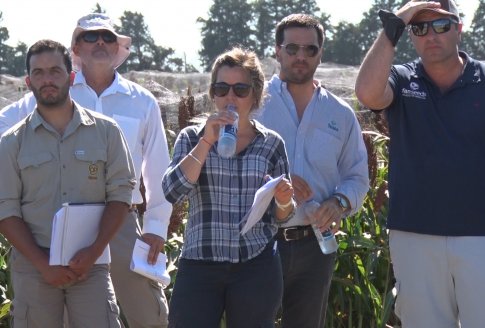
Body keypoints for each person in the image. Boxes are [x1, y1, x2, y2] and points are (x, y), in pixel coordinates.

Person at [0, 13, 172, 327]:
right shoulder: (55, 88)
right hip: (58, 222)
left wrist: (156, 226)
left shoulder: (141, 101)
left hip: (121, 219)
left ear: (118, 45)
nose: (100, 43)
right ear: (77, 47)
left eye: (107, 37)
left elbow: (158, 165)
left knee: (148, 315)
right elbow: (6, 125)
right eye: (90, 37)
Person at [355, 0, 485, 326]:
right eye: (419, 28)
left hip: (483, 235)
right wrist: (395, 24)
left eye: (441, 26)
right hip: (414, 234)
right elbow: (368, 94)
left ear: (459, 29)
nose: (431, 35)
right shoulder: (402, 79)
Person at [162, 47, 295, 328]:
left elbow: (283, 216)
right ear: (212, 94)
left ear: (255, 95)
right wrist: (206, 142)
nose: (230, 97)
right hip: (201, 263)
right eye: (221, 88)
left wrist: (283, 200)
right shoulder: (191, 137)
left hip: (255, 264)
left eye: (240, 89)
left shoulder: (271, 144)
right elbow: (172, 192)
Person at [257, 14, 369, 328]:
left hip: (315, 246)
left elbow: (358, 177)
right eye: (292, 49)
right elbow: (227, 165)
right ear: (277, 51)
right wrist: (278, 182)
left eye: (310, 49)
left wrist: (339, 203)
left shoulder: (340, 114)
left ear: (321, 53)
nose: (301, 56)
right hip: (259, 241)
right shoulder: (253, 103)